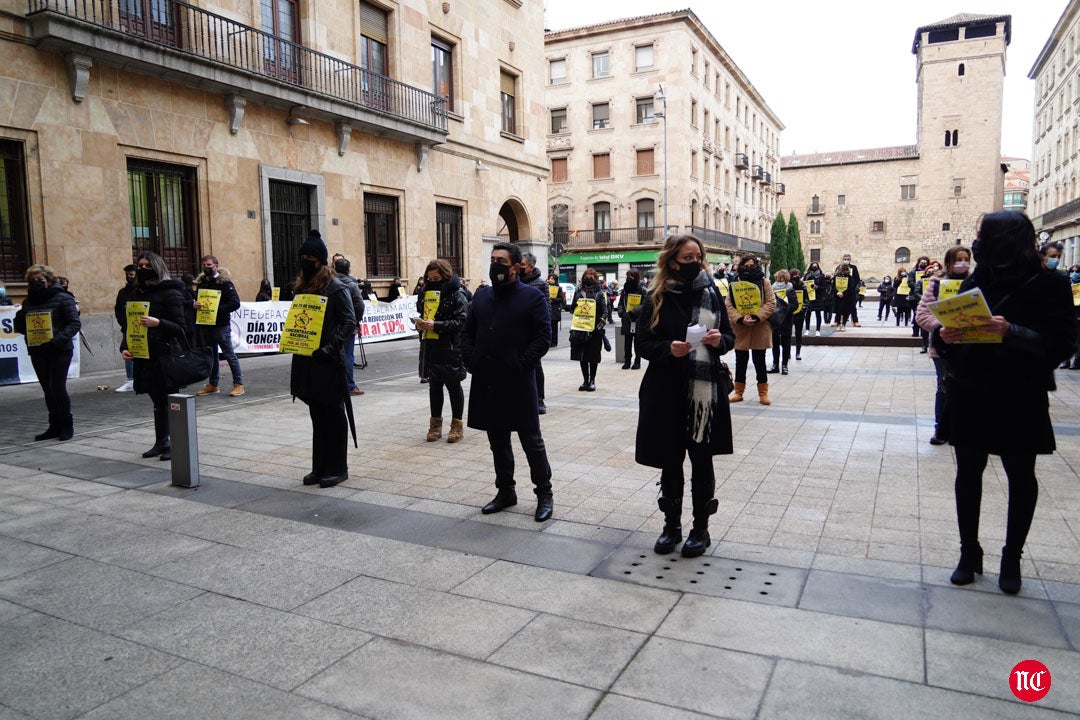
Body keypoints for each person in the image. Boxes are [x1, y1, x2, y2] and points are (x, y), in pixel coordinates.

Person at [934, 211, 1076, 594]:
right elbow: (951, 334)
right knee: (967, 471)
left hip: (1019, 392)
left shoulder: (1051, 283)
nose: (976, 243)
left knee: (1020, 474)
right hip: (971, 388)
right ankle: (969, 552)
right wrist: (945, 335)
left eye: (983, 235)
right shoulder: (979, 278)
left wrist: (1010, 331)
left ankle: (1012, 556)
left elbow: (1063, 343)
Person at [636, 234, 735, 558]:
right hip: (666, 390)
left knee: (702, 461)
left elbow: (730, 337)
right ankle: (671, 526)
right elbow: (642, 344)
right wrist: (668, 348)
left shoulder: (712, 292)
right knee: (670, 461)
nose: (693, 263)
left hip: (703, 395)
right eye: (687, 258)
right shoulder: (656, 296)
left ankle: (700, 529)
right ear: (672, 260)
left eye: (697, 257)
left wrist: (720, 340)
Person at [461, 241, 553, 522]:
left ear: (515, 266)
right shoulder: (482, 296)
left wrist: (522, 364)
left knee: (531, 441)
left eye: (501, 260)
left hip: (518, 381)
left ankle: (544, 494)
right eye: (492, 259)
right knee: (497, 441)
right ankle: (505, 491)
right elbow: (468, 332)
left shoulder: (532, 297)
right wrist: (471, 359)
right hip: (488, 380)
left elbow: (543, 337)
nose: (495, 264)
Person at [290, 231, 357, 488]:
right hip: (306, 360)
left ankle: (338, 468)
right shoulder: (303, 286)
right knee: (317, 415)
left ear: (320, 260)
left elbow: (349, 321)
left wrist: (331, 348)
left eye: (309, 257)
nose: (304, 261)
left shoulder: (336, 287)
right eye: (302, 256)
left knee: (333, 414)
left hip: (328, 362)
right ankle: (319, 467)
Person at [120, 252, 188, 461]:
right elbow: (129, 325)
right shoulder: (136, 293)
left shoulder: (172, 293)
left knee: (170, 400)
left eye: (147, 265)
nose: (142, 269)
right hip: (143, 354)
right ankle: (161, 441)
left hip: (165, 354)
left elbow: (181, 328)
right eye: (140, 265)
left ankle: (175, 442)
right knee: (157, 401)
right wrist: (125, 346)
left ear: (157, 268)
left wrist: (159, 323)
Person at [14, 264, 81, 441]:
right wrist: (20, 318)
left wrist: (58, 340)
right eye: (32, 280)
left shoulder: (62, 298)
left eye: (40, 280)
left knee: (57, 387)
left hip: (59, 349)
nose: (36, 283)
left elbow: (74, 323)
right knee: (47, 389)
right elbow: (21, 328)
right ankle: (54, 425)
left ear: (49, 281)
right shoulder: (28, 302)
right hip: (38, 349)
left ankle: (67, 425)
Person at [915, 245, 971, 446]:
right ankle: (941, 428)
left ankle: (964, 427)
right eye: (958, 259)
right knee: (944, 386)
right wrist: (940, 326)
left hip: (970, 345)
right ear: (949, 261)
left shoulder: (975, 282)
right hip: (943, 345)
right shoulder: (937, 283)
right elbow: (922, 315)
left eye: (966, 259)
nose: (963, 263)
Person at [416, 259, 468, 443]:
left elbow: (461, 322)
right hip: (430, 344)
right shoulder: (425, 292)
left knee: (453, 386)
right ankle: (435, 424)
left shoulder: (457, 293)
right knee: (434, 385)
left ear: (445, 277)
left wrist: (436, 325)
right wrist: (420, 324)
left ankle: (457, 425)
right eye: (429, 278)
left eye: (436, 278)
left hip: (451, 346)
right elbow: (420, 313)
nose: (432, 281)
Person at [726, 255, 775, 405]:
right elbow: (728, 304)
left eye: (752, 265)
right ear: (741, 266)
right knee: (740, 361)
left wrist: (757, 316)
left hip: (759, 327)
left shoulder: (764, 282)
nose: (749, 268)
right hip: (741, 328)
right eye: (746, 265)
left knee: (760, 361)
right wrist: (740, 319)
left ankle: (763, 393)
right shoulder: (735, 283)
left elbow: (771, 303)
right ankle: (738, 392)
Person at [193, 255, 244, 397]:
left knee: (229, 355)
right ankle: (213, 384)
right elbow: (197, 299)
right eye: (204, 265)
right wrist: (195, 304)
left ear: (216, 266)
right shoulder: (202, 283)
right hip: (206, 324)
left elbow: (235, 303)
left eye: (209, 265)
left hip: (221, 325)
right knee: (211, 356)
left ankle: (238, 384)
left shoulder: (225, 283)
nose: (206, 267)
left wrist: (217, 309)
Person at [569, 267, 608, 391]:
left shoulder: (600, 294)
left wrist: (600, 324)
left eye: (591, 278)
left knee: (593, 356)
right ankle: (585, 380)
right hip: (580, 328)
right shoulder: (578, 292)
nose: (588, 280)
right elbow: (572, 310)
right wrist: (575, 306)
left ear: (596, 280)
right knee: (582, 356)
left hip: (594, 330)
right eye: (586, 277)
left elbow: (605, 312)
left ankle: (592, 380)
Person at [520, 253, 550, 413]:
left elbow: (547, 310)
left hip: (532, 333)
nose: (519, 268)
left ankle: (539, 399)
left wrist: (545, 334)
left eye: (523, 266)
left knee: (536, 366)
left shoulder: (540, 284)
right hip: (516, 332)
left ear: (531, 267)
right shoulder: (513, 281)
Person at [333, 256, 366, 396]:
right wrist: (354, 322)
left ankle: (336, 385)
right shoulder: (351, 285)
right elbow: (360, 305)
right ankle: (349, 386)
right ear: (349, 270)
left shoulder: (329, 283)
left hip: (332, 326)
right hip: (347, 326)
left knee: (334, 355)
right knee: (347, 356)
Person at [113, 264, 138, 392]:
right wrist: (123, 322)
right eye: (127, 275)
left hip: (140, 325)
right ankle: (130, 379)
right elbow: (118, 309)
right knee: (127, 351)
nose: (129, 277)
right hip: (128, 326)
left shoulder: (140, 290)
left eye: (131, 275)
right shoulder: (123, 292)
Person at [617, 269, 645, 369]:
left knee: (637, 342)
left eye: (631, 276)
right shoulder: (625, 290)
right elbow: (621, 303)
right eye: (627, 276)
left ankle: (637, 361)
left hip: (638, 319)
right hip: (627, 319)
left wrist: (635, 312)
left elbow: (645, 304)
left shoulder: (642, 290)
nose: (629, 278)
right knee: (627, 343)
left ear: (636, 277)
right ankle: (627, 361)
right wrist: (621, 312)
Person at [768, 270, 795, 374]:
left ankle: (784, 365)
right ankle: (775, 364)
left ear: (786, 279)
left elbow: (795, 305)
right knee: (775, 343)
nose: (779, 280)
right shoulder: (772, 289)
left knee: (786, 343)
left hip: (786, 320)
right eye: (778, 278)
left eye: (781, 278)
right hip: (775, 320)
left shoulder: (790, 290)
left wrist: (785, 306)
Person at [803, 261, 827, 335]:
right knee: (808, 313)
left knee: (818, 313)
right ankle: (807, 329)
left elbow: (824, 287)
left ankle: (818, 330)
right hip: (809, 296)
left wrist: (817, 287)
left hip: (818, 297)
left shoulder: (821, 276)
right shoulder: (807, 275)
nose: (814, 267)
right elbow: (804, 283)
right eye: (813, 265)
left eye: (815, 266)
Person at [831, 262, 856, 331]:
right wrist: (837, 292)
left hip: (846, 296)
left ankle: (843, 324)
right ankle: (839, 324)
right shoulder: (837, 276)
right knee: (839, 311)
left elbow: (850, 287)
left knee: (845, 311)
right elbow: (833, 286)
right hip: (838, 296)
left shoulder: (849, 277)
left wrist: (843, 292)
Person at [789, 268, 806, 361]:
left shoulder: (802, 285)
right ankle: (788, 352)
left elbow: (806, 298)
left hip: (800, 312)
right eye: (794, 274)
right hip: (790, 312)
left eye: (798, 274)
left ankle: (798, 352)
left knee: (798, 333)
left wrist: (804, 308)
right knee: (788, 333)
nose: (796, 276)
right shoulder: (788, 286)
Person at [1065, 264, 1080, 370]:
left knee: (1078, 340)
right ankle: (1066, 361)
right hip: (1068, 316)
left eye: (1077, 272)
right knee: (1067, 339)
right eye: (1072, 271)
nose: (1074, 274)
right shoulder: (1067, 284)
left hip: (1078, 316)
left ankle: (1076, 361)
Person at [841, 253, 862, 326]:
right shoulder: (840, 267)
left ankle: (855, 321)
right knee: (841, 305)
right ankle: (840, 320)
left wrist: (854, 286)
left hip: (851, 290)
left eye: (848, 259)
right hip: (842, 290)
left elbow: (857, 278)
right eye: (845, 259)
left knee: (853, 306)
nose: (846, 260)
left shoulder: (853, 267)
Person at [545, 273, 564, 347]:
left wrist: (552, 299)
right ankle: (548, 341)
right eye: (550, 278)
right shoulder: (546, 286)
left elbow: (561, 299)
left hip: (555, 309)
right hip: (547, 309)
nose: (551, 280)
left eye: (552, 278)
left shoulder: (559, 288)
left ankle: (554, 342)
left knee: (554, 327)